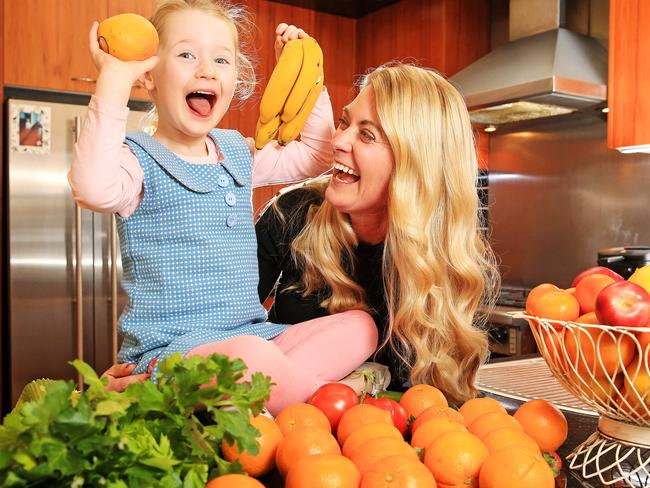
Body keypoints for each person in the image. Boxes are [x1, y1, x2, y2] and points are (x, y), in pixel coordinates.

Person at [70, 0, 377, 415]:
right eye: (185, 55)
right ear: (148, 76)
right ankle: (326, 400)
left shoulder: (236, 152)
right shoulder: (136, 161)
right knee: (253, 360)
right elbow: (91, 187)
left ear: (235, 78)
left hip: (254, 337)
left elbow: (315, 154)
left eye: (221, 59)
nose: (206, 70)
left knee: (360, 327)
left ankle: (275, 391)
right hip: (173, 354)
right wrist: (112, 80)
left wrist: (308, 77)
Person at [256, 62, 500, 405]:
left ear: (414, 165)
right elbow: (226, 332)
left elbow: (439, 404)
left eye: (367, 134)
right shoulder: (292, 213)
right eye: (344, 122)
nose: (338, 140)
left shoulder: (453, 265)